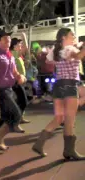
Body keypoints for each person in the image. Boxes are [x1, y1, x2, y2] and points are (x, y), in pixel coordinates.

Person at [32, 28, 85, 160]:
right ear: (63, 37)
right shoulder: (70, 50)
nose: (73, 36)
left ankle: (39, 143)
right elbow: (78, 56)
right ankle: (69, 151)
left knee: (59, 118)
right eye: (71, 35)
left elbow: (49, 61)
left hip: (58, 86)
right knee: (69, 120)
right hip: (70, 86)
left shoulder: (55, 52)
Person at [0, 30, 27, 151]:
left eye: (9, 38)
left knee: (5, 116)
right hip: (1, 90)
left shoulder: (9, 55)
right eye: (5, 39)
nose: (8, 40)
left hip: (10, 88)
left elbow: (14, 72)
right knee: (15, 115)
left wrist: (19, 76)